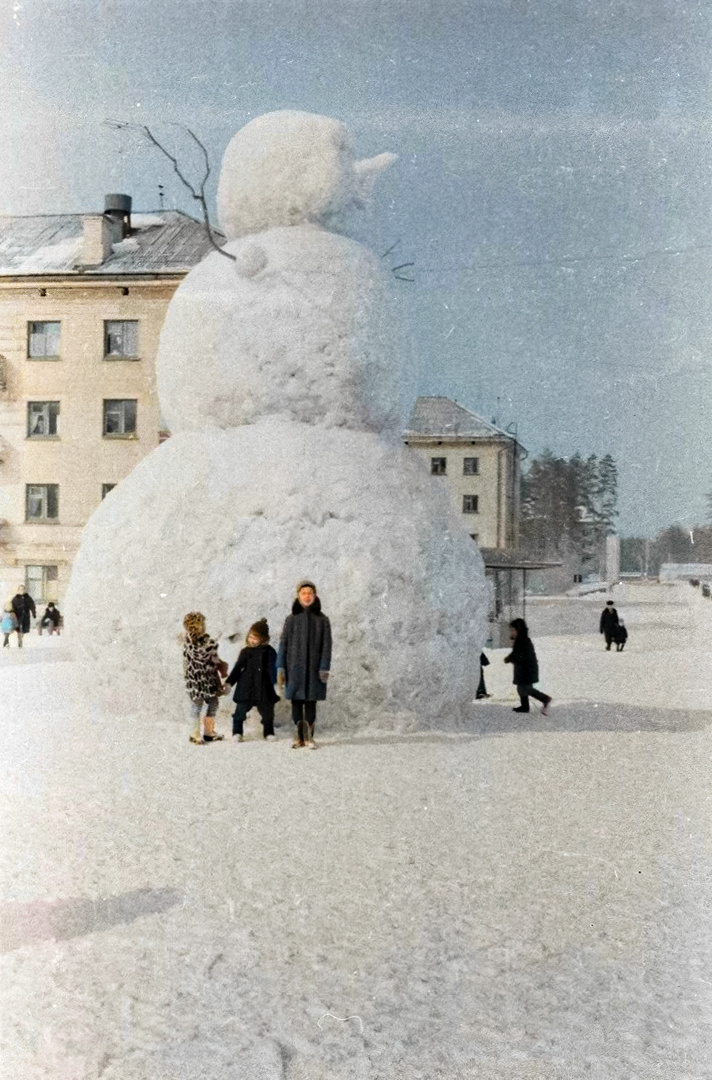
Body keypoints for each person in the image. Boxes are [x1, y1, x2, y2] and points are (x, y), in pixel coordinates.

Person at [277, 580, 332, 749]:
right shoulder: (291, 619)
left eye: (310, 593)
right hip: (294, 668)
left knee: (310, 702)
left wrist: (324, 666)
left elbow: (327, 645)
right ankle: (298, 736)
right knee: (296, 701)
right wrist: (280, 666)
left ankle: (309, 737)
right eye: (304, 593)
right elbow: (283, 644)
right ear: (298, 596)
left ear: (315, 596)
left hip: (314, 669)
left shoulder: (322, 620)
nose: (307, 596)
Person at [225, 619, 280, 741]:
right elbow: (238, 668)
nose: (252, 640)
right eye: (250, 637)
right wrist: (229, 683)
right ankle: (237, 732)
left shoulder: (270, 651)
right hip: (246, 687)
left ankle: (269, 732)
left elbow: (273, 668)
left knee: (267, 712)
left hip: (264, 687)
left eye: (255, 638)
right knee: (240, 710)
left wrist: (275, 683)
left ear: (263, 639)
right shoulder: (245, 651)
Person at [182, 611, 226, 744]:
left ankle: (200, 733)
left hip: (198, 682)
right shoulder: (207, 644)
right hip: (204, 681)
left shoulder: (188, 644)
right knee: (208, 704)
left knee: (201, 705)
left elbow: (186, 664)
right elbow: (212, 661)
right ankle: (202, 733)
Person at [504, 618, 552, 715]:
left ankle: (545, 698)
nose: (512, 633)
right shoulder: (520, 641)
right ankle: (525, 706)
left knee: (525, 689)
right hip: (524, 669)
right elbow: (517, 654)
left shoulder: (523, 641)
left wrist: (511, 658)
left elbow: (521, 656)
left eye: (513, 630)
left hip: (527, 669)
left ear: (519, 631)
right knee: (521, 688)